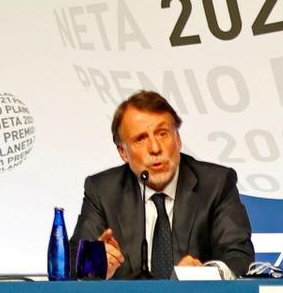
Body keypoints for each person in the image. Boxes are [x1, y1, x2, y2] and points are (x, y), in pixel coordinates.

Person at [70, 90, 254, 279]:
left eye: (162, 134)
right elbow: (73, 260)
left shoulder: (216, 184)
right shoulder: (102, 190)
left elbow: (239, 256)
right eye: (141, 139)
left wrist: (206, 273)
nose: (155, 148)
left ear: (178, 139)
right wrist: (96, 264)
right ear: (123, 152)